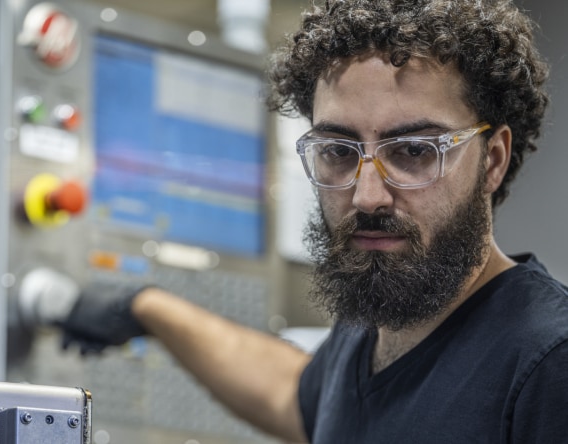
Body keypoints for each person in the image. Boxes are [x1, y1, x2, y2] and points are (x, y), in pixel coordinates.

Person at [56, 0, 568, 442]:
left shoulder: (546, 365)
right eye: (338, 151)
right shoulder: (375, 312)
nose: (367, 196)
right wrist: (149, 308)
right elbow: (294, 396)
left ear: (493, 160)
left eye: (414, 151)